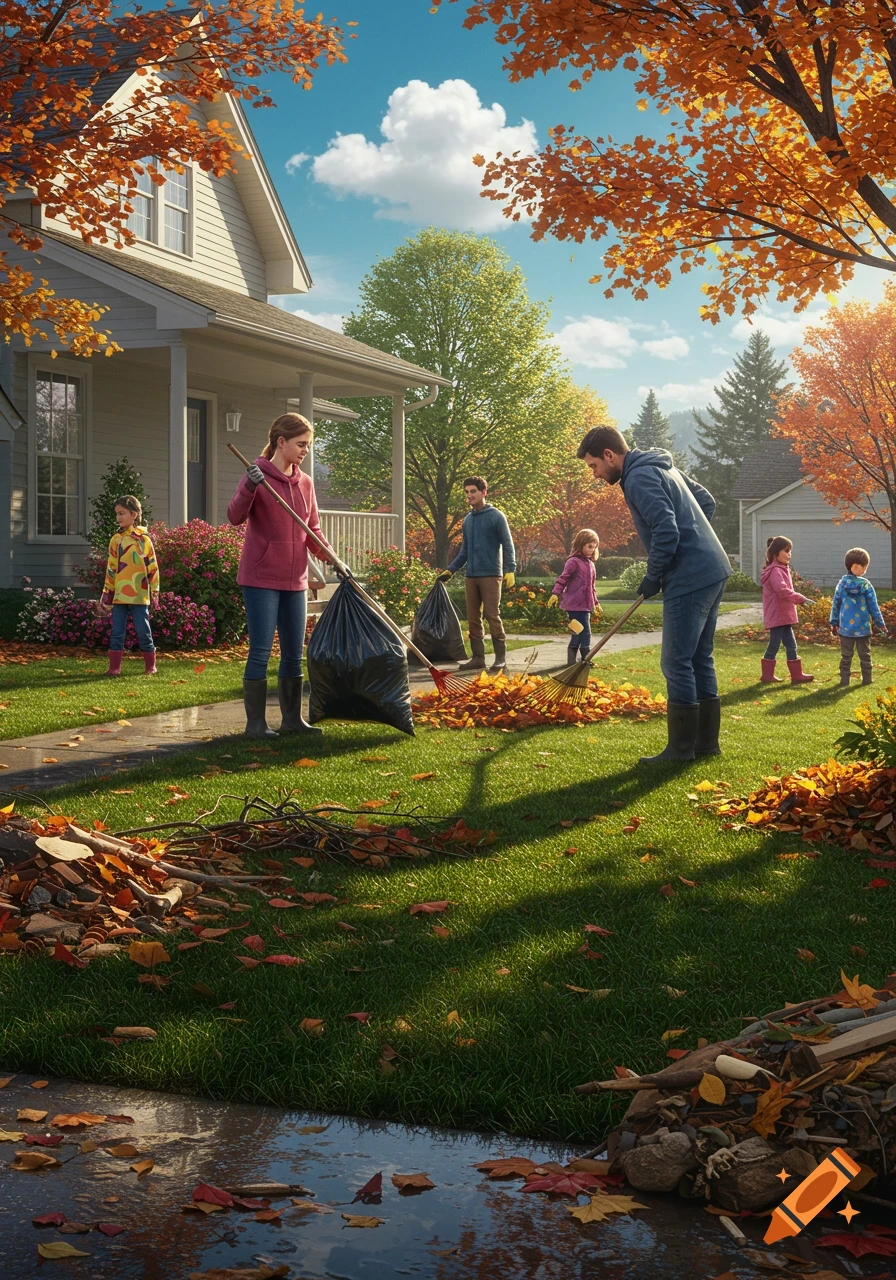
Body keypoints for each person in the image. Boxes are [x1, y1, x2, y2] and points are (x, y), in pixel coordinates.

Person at [577, 425, 731, 762]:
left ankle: (680, 750)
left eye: (594, 466)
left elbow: (665, 530)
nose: (595, 474)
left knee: (676, 661)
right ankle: (705, 745)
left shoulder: (638, 478)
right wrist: (695, 542)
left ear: (609, 455)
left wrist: (655, 574)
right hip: (713, 568)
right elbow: (706, 501)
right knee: (699, 658)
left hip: (691, 577)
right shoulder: (663, 466)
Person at [227, 412, 336, 738]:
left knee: (293, 654)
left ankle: (292, 720)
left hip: (295, 580)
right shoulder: (257, 475)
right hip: (260, 578)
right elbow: (234, 516)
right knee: (261, 652)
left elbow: (312, 530)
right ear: (281, 442)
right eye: (301, 444)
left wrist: (332, 557)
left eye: (308, 445)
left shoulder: (305, 483)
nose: (305, 451)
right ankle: (255, 725)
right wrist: (250, 485)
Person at [437, 476, 516, 674]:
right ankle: (478, 659)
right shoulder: (468, 520)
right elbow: (464, 551)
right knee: (473, 618)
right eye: (467, 492)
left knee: (492, 615)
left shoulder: (497, 516)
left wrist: (510, 569)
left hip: (491, 575)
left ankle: (500, 659)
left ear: (483, 492)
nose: (469, 495)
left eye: (473, 491)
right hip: (471, 576)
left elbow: (508, 544)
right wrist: (450, 570)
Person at [97, 495, 159, 677]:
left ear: (134, 514)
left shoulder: (144, 540)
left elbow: (153, 567)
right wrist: (107, 594)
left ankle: (151, 667)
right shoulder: (116, 540)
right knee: (117, 632)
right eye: (117, 513)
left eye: (122, 513)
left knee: (143, 631)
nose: (118, 517)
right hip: (119, 595)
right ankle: (114, 668)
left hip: (139, 593)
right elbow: (111, 568)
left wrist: (155, 591)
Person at [830, 547, 889, 688]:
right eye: (865, 567)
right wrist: (880, 624)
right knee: (865, 655)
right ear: (856, 566)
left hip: (845, 628)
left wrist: (834, 622)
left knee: (846, 656)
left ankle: (844, 681)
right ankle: (867, 680)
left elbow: (835, 605)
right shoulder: (866, 585)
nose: (865, 570)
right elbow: (873, 607)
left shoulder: (841, 584)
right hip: (863, 627)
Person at [760, 536, 814, 685]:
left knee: (791, 644)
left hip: (783, 615)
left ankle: (796, 675)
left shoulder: (781, 569)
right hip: (778, 615)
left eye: (790, 551)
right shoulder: (775, 571)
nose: (789, 554)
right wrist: (800, 598)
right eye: (786, 551)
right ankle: (768, 675)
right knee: (775, 644)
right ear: (776, 553)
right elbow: (782, 591)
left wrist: (798, 599)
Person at [548, 528, 600, 665]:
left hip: (585, 605)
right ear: (580, 545)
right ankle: (586, 659)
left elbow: (592, 587)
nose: (592, 550)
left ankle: (572, 661)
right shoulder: (573, 562)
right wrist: (555, 593)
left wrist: (596, 603)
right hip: (574, 605)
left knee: (577, 633)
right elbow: (563, 578)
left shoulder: (590, 564)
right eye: (589, 546)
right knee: (584, 632)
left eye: (594, 547)